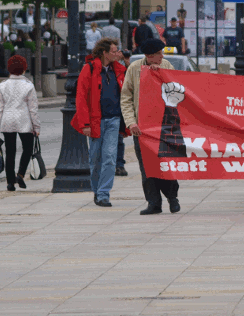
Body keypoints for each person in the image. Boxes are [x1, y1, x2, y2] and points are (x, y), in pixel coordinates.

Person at [120, 38, 181, 215]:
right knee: (146, 167)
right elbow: (126, 98)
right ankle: (153, 202)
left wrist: (159, 73)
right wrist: (131, 122)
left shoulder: (167, 65)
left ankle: (172, 197)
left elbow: (176, 89)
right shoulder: (134, 69)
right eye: (159, 53)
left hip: (164, 126)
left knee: (165, 164)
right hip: (142, 128)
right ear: (149, 56)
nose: (162, 56)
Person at [72, 38, 127, 208]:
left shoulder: (119, 70)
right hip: (95, 121)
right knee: (95, 158)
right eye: (114, 51)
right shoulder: (88, 69)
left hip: (114, 119)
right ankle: (97, 190)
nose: (117, 53)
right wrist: (85, 124)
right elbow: (81, 98)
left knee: (110, 157)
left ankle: (104, 193)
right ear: (104, 53)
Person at [0, 55, 40, 192]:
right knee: (27, 148)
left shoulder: (3, 85)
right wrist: (36, 126)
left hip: (7, 120)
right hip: (24, 120)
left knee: (10, 152)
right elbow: (33, 109)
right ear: (24, 69)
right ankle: (20, 174)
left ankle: (10, 182)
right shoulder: (28, 86)